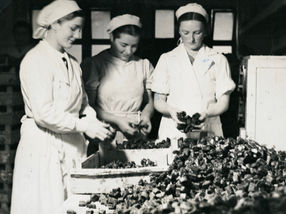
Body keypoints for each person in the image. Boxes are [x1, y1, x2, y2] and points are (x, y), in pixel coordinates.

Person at [11, 1, 114, 214]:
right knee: (45, 205)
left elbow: (83, 103)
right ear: (55, 24)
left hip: (70, 144)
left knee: (69, 205)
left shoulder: (73, 62)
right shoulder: (35, 60)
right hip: (43, 146)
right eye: (73, 28)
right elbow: (43, 113)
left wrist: (96, 124)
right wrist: (82, 125)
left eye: (80, 29)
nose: (77, 35)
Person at [151, 3, 236, 140]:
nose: (191, 39)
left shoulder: (218, 59)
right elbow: (158, 101)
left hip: (208, 128)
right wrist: (172, 112)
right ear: (179, 31)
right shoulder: (167, 59)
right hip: (174, 130)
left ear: (206, 31)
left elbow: (223, 102)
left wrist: (206, 113)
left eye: (197, 33)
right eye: (186, 33)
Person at [81, 14, 154, 152]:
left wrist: (146, 115)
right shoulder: (95, 64)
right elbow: (89, 106)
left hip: (136, 130)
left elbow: (150, 101)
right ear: (112, 38)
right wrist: (118, 120)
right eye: (123, 45)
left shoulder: (143, 65)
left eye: (134, 46)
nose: (128, 51)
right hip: (105, 131)